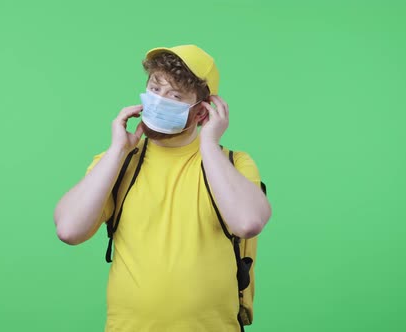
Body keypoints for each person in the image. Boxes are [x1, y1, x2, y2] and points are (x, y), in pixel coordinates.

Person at [54, 44, 272, 332]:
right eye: (155, 88)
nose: (159, 101)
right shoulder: (118, 162)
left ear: (202, 112)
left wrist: (208, 143)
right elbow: (69, 230)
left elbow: (248, 222)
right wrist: (117, 150)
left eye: (175, 95)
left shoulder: (233, 164)